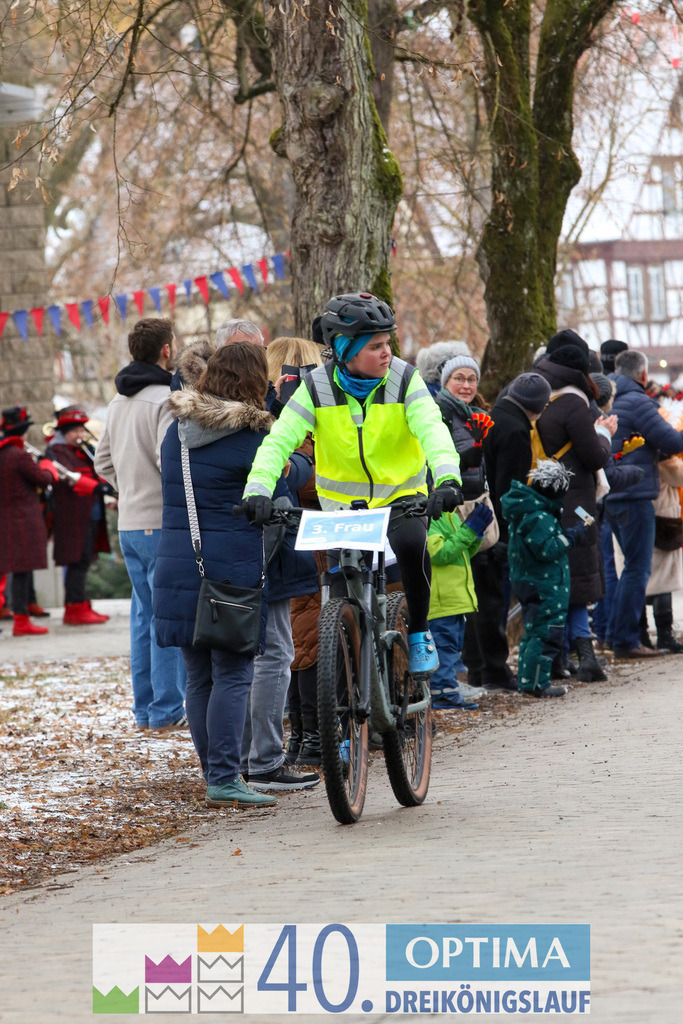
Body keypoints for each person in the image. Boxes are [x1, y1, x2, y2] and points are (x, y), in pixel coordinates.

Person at [241, 292, 464, 676]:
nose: (386, 353)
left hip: (401, 498)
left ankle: (420, 632)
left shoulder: (405, 381)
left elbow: (434, 432)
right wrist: (258, 489)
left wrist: (446, 479)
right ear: (345, 348)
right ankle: (346, 714)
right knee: (341, 603)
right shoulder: (317, 387)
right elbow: (278, 441)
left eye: (388, 343)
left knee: (412, 544)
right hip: (342, 511)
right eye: (375, 346)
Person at [153, 342, 303, 808]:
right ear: (256, 382)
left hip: (177, 565)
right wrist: (298, 464)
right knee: (234, 673)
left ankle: (214, 773)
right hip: (230, 570)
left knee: (199, 677)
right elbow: (277, 494)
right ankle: (224, 777)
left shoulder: (175, 433)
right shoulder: (254, 439)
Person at [94, 317, 187, 732]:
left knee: (142, 617)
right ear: (166, 350)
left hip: (130, 523)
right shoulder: (166, 399)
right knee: (165, 618)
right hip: (160, 522)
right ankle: (167, 710)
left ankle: (145, 709)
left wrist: (128, 487)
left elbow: (101, 463)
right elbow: (172, 463)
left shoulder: (116, 403)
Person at [534, 330, 614, 681]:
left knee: (554, 577)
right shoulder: (574, 403)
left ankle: (557, 658)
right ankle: (586, 657)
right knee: (579, 574)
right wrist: (605, 433)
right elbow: (594, 455)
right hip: (576, 500)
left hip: (542, 497)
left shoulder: (533, 395)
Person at [469, 372, 552, 691]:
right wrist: (505, 536)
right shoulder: (517, 431)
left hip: (478, 516)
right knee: (493, 600)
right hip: (497, 526)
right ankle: (493, 670)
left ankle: (478, 667)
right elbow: (510, 488)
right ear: (537, 407)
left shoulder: (493, 418)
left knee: (479, 598)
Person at [606, 348, 683, 658]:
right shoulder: (638, 402)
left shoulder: (608, 397)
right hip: (635, 493)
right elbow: (673, 441)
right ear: (643, 375)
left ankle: (617, 635)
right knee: (638, 570)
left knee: (626, 569)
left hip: (612, 492)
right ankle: (626, 640)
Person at [501, 460, 586, 698]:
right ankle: (538, 683)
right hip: (543, 585)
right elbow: (546, 549)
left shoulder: (529, 510)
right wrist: (571, 536)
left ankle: (528, 682)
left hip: (533, 581)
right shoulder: (539, 516)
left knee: (534, 631)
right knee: (545, 632)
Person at [46, 407, 112, 625]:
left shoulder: (81, 450)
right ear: (64, 432)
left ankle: (82, 603)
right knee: (76, 560)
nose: (80, 435)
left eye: (81, 430)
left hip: (89, 513)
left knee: (84, 559)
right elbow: (67, 477)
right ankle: (74, 608)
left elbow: (96, 471)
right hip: (71, 515)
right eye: (75, 431)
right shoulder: (56, 451)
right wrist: (96, 488)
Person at [427, 501, 494, 708]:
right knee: (444, 646)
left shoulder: (452, 517)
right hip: (441, 601)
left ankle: (448, 688)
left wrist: (476, 532)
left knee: (452, 647)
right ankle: (442, 694)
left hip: (456, 599)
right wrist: (468, 531)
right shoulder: (430, 520)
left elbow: (463, 552)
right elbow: (439, 554)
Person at [0, 406, 58, 636]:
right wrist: (47, 465)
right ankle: (22, 621)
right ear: (22, 433)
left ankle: (21, 617)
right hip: (22, 521)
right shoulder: (19, 455)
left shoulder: (4, 453)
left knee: (16, 570)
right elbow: (44, 480)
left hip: (7, 521)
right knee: (22, 572)